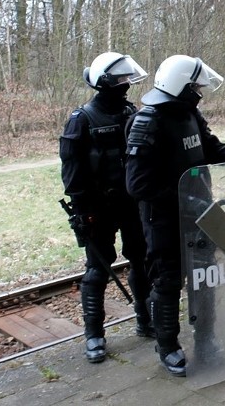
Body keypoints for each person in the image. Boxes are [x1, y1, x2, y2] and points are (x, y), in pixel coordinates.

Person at [124, 54, 225, 376]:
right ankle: (167, 346)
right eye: (195, 86)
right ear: (180, 85)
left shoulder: (190, 114)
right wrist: (182, 200)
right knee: (167, 282)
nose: (199, 92)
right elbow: (138, 184)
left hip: (200, 214)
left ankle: (206, 339)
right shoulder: (148, 122)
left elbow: (208, 146)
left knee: (205, 279)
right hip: (164, 220)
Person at [59, 52, 154, 364]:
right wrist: (80, 211)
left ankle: (145, 319)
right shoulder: (81, 120)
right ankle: (95, 335)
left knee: (141, 260)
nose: (126, 84)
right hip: (97, 208)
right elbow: (72, 171)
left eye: (127, 79)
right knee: (97, 270)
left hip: (131, 202)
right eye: (120, 80)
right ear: (104, 82)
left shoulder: (131, 112)